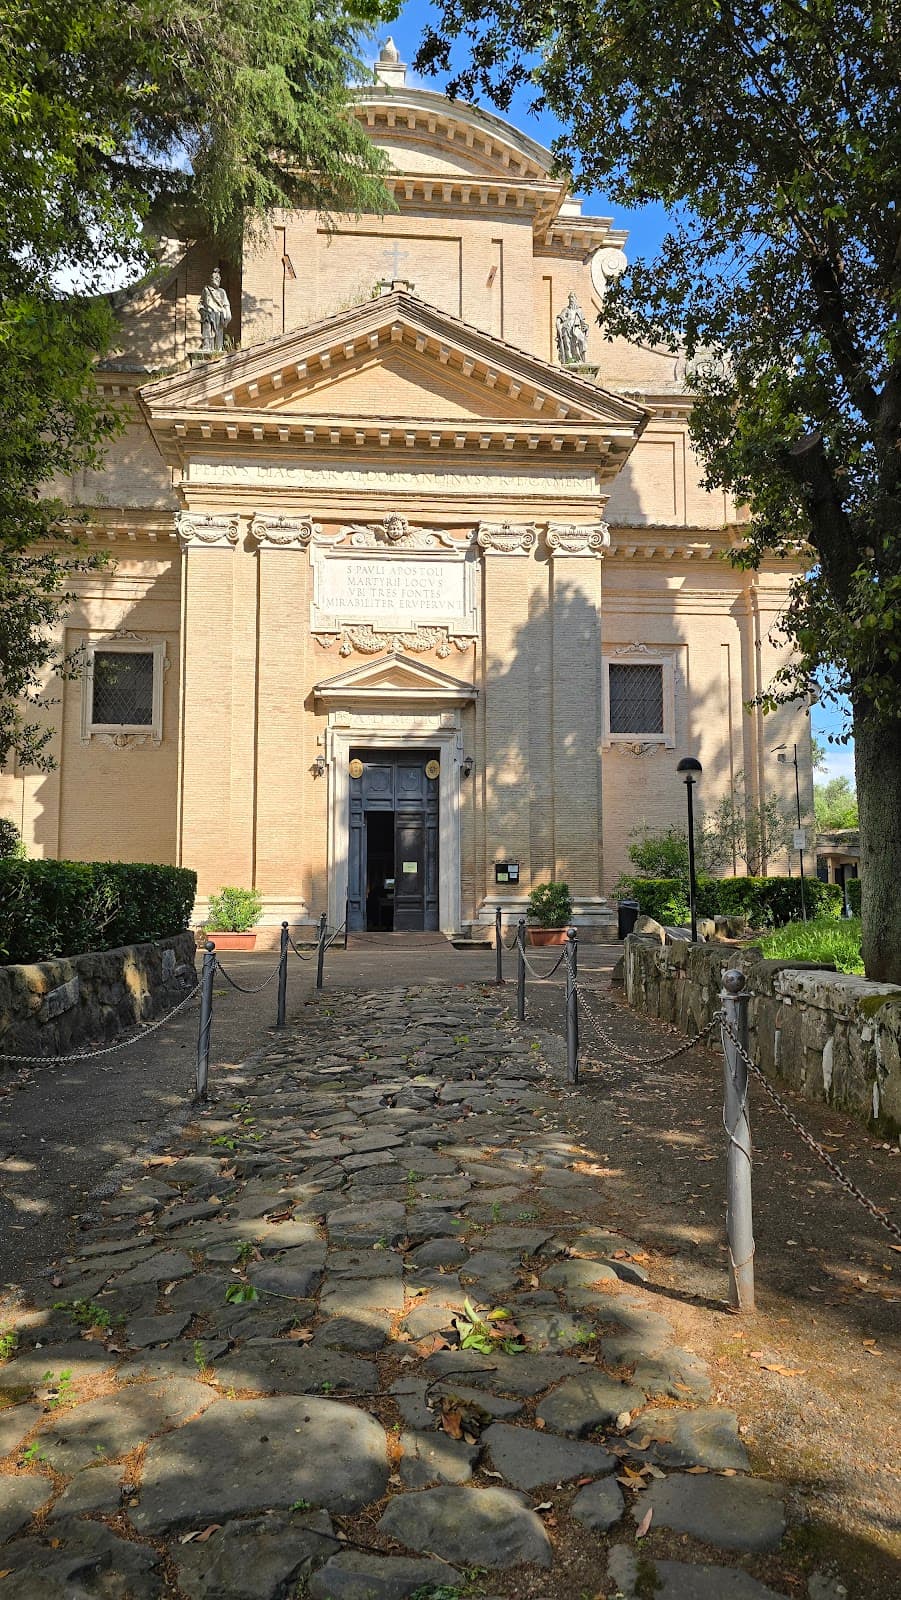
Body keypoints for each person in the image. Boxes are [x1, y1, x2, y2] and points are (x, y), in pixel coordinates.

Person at [199, 268, 232, 353]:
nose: (216, 279)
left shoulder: (222, 292)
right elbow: (202, 303)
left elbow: (226, 304)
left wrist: (228, 313)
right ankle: (207, 347)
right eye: (215, 278)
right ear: (211, 279)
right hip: (209, 315)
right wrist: (204, 310)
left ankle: (218, 349)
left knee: (219, 333)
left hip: (219, 315)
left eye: (218, 278)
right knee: (208, 332)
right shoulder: (206, 290)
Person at [555, 292, 589, 364]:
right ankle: (569, 360)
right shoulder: (566, 310)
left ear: (575, 299)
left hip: (575, 329)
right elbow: (560, 318)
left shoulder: (579, 310)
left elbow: (583, 322)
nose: (571, 299)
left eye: (572, 297)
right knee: (567, 344)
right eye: (570, 298)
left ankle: (582, 359)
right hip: (566, 328)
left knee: (581, 340)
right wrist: (558, 324)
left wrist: (586, 327)